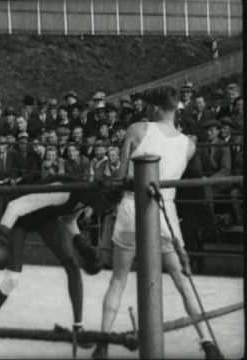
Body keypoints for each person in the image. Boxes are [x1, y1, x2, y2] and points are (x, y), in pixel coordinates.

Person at [92, 86, 222, 359]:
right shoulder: (188, 145)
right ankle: (207, 340)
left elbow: (118, 175)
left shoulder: (137, 129)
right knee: (182, 280)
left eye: (149, 106)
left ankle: (103, 342)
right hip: (165, 213)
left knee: (118, 280)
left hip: (132, 208)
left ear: (156, 107)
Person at [0, 175, 123, 344]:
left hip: (45, 218)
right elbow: (15, 206)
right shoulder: (64, 191)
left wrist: (79, 241)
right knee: (12, 278)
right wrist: (0, 237)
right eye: (105, 206)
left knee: (72, 264)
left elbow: (69, 219)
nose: (104, 210)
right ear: (100, 197)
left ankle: (78, 328)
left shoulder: (86, 197)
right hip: (20, 218)